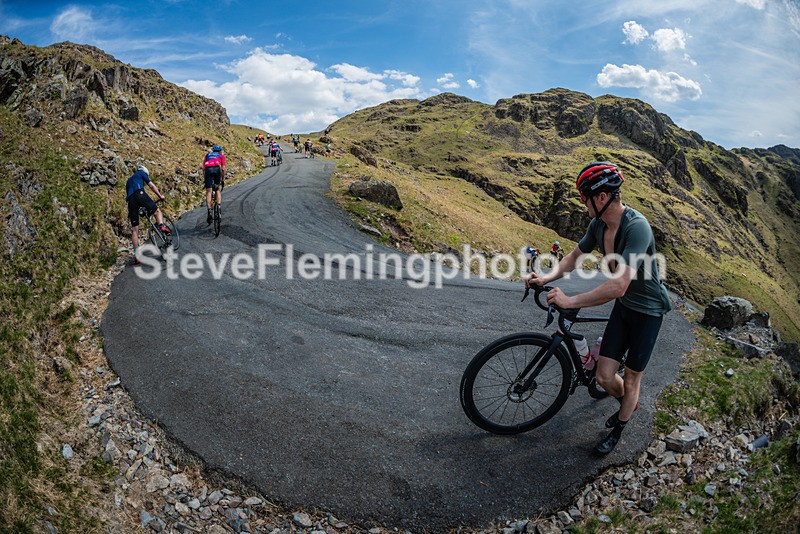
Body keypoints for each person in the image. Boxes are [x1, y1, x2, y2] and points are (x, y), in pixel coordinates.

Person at [526, 161, 671, 455]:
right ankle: (628, 401)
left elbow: (618, 286)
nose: (583, 205)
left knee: (631, 378)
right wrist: (546, 277)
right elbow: (574, 257)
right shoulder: (599, 225)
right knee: (605, 377)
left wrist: (571, 301)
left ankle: (619, 426)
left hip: (649, 311)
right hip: (625, 307)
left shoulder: (637, 227)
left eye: (584, 197)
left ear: (601, 197)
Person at [125, 165, 169, 264]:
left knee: (135, 230)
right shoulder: (141, 173)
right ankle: (161, 226)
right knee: (157, 211)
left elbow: (130, 195)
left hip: (131, 201)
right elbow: (151, 185)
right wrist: (160, 196)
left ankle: (137, 256)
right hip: (139, 193)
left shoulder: (128, 181)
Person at [204, 145, 226, 224]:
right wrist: (222, 180)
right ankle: (219, 206)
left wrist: (205, 179)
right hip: (217, 169)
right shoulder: (221, 155)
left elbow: (204, 168)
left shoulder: (208, 155)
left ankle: (209, 210)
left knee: (209, 192)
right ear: (220, 150)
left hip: (208, 170)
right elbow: (223, 168)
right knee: (217, 189)